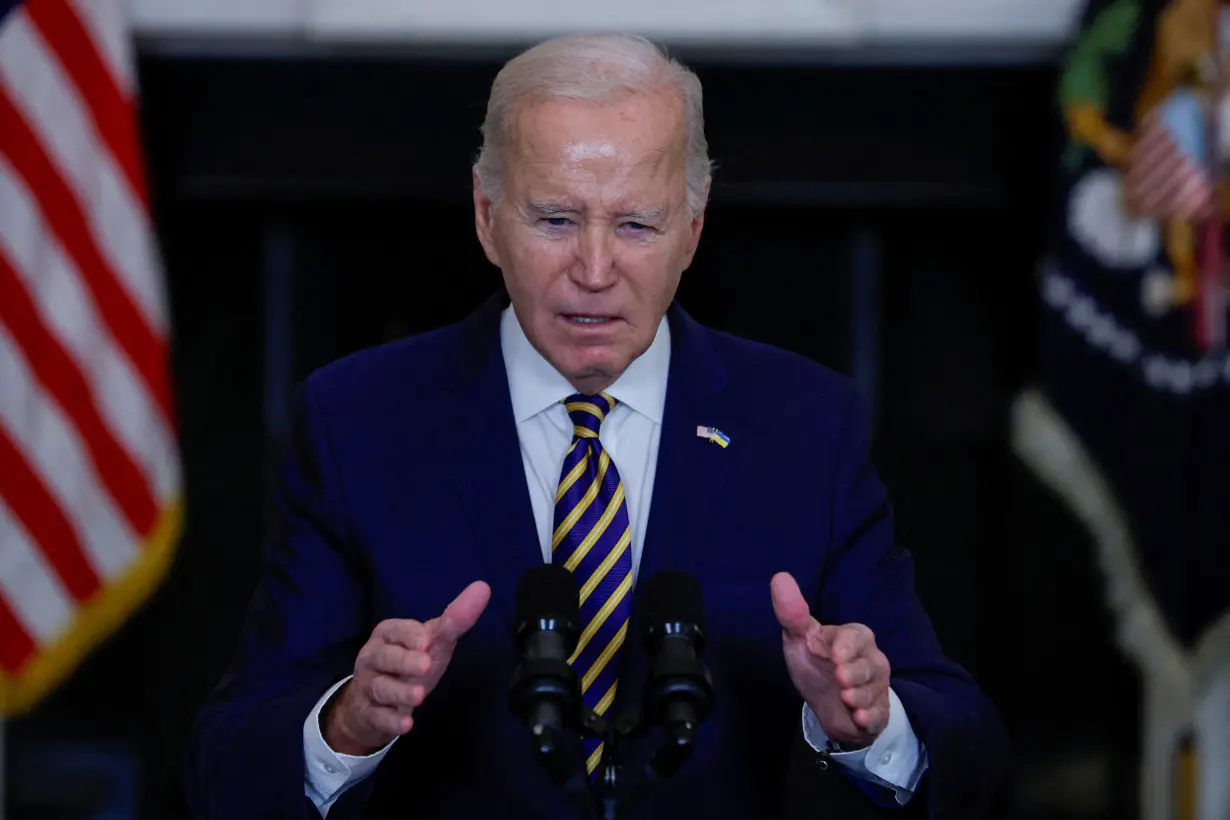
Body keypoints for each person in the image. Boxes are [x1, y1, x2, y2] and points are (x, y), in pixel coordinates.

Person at [184, 32, 1008, 820]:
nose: (594, 269)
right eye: (555, 220)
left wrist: (870, 721)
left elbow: (971, 751)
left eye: (636, 224)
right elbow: (222, 771)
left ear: (693, 229)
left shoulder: (806, 425)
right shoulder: (356, 419)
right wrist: (347, 726)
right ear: (486, 216)